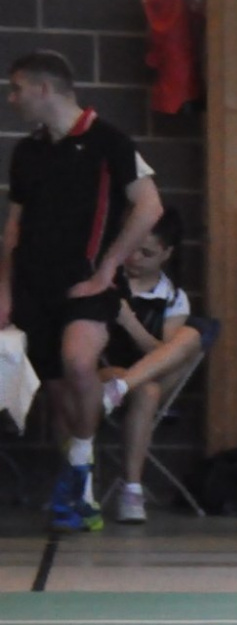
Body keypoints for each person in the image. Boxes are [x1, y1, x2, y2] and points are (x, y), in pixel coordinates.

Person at [1, 49, 164, 531]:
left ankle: (80, 461)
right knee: (56, 394)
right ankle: (83, 492)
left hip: (88, 282)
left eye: (16, 89)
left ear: (44, 88)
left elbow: (149, 207)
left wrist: (108, 266)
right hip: (34, 285)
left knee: (78, 362)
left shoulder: (109, 141)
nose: (12, 99)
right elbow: (13, 228)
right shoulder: (27, 152)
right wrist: (5, 289)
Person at [98, 207, 204, 524]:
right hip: (108, 372)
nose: (135, 258)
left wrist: (130, 324)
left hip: (151, 379)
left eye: (147, 253)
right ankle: (132, 489)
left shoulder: (172, 296)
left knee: (192, 338)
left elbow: (167, 353)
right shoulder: (107, 283)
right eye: (131, 248)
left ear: (166, 253)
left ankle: (123, 387)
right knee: (146, 391)